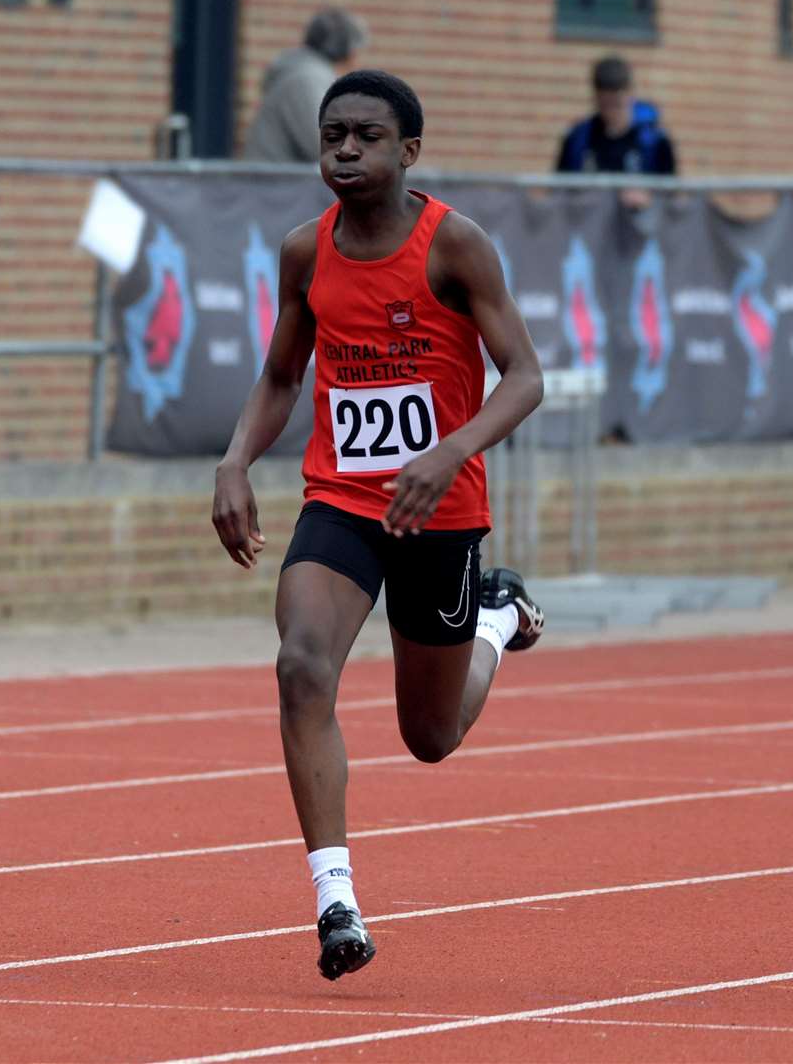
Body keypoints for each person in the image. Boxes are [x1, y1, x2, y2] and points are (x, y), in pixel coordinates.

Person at [213, 69, 546, 980]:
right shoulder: (303, 253)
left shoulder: (455, 247)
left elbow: (524, 375)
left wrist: (447, 453)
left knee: (429, 738)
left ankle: (494, 617)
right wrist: (237, 459)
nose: (346, 151)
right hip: (345, 501)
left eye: (366, 136)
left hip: (441, 509)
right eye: (332, 137)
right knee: (299, 664)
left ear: (409, 151)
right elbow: (283, 378)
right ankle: (336, 900)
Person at [244, 8, 368, 163]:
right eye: (358, 52)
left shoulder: (304, 73)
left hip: (278, 182)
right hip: (274, 184)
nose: (358, 62)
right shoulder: (307, 79)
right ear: (349, 52)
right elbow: (327, 147)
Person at [556, 54, 676, 209]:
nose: (612, 112)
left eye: (618, 104)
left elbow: (671, 196)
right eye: (606, 104)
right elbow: (559, 190)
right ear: (596, 98)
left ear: (630, 94)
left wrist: (648, 199)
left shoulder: (654, 140)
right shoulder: (578, 138)